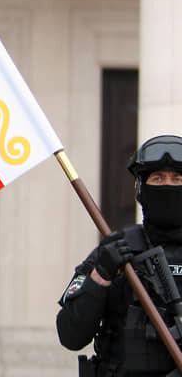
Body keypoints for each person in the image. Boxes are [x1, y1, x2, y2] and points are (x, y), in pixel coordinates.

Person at [57, 134, 182, 377]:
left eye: (177, 179)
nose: (168, 185)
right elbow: (70, 335)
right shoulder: (116, 251)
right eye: (157, 178)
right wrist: (100, 276)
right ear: (141, 190)